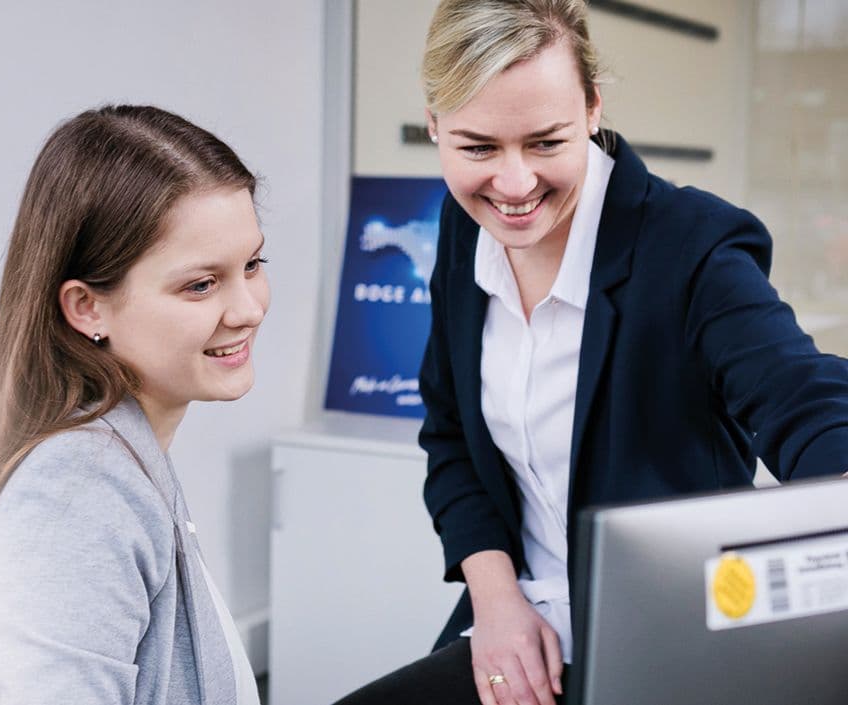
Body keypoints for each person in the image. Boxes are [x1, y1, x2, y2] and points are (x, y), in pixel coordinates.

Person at [334, 1, 848, 704]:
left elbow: (806, 398)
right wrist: (496, 600)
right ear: (434, 125)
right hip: (523, 619)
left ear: (593, 108)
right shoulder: (465, 226)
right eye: (478, 147)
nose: (514, 187)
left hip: (675, 645)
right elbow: (449, 432)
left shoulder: (689, 244)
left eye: (546, 142)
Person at [0, 105, 270, 705]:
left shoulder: (123, 453)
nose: (247, 307)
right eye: (200, 284)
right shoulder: (78, 493)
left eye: (252, 265)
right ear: (87, 308)